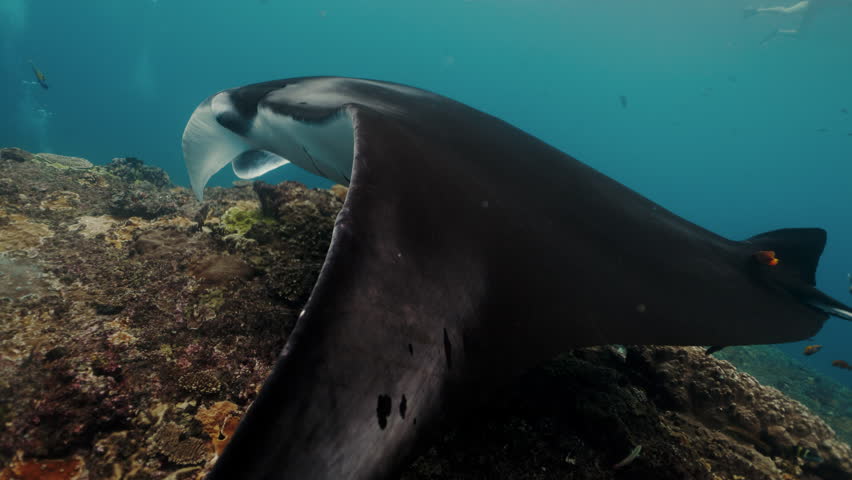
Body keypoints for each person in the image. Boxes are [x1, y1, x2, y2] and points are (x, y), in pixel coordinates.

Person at [743, 0, 850, 44]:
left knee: (800, 33)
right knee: (787, 12)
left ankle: (777, 32)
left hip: (814, 10)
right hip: (811, 4)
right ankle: (755, 11)